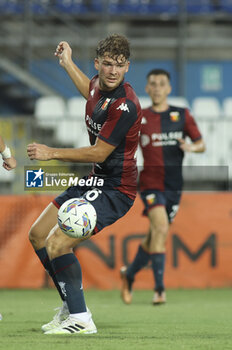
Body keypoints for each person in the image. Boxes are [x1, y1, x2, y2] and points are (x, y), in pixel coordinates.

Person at [27, 34, 142, 334]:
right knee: (38, 235)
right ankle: (69, 303)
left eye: (119, 65)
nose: (113, 71)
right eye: (107, 64)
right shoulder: (98, 86)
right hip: (96, 179)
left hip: (117, 189)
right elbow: (89, 91)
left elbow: (99, 152)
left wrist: (51, 152)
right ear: (98, 64)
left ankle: (81, 318)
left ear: (127, 67)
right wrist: (66, 63)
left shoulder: (125, 106)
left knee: (58, 242)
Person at [120, 68, 205, 305]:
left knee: (155, 235)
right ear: (147, 88)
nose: (157, 88)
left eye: (161, 84)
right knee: (160, 227)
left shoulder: (182, 115)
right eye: (153, 84)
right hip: (150, 185)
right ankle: (159, 290)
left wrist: (191, 147)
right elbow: (125, 149)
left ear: (169, 88)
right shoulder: (140, 118)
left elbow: (201, 144)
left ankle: (129, 275)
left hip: (174, 186)